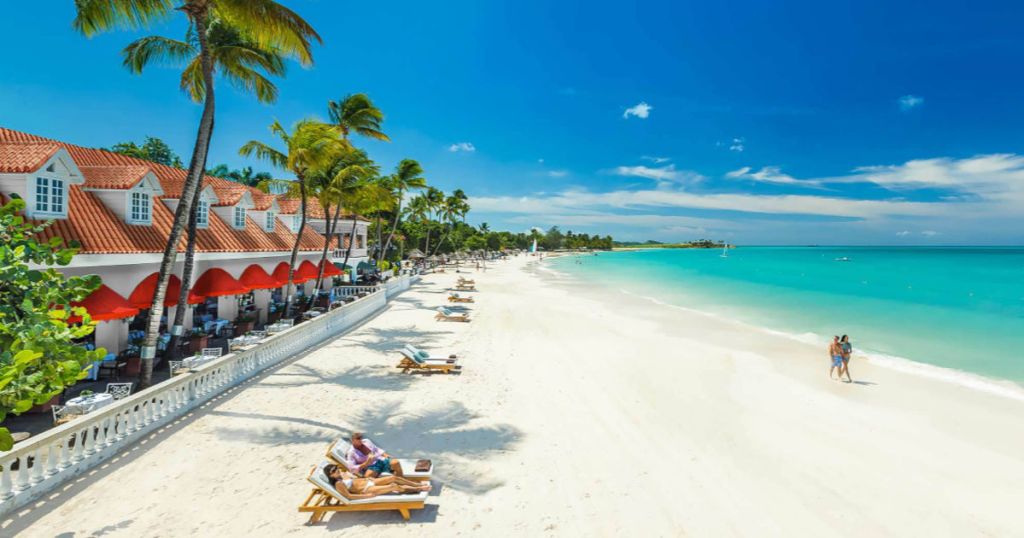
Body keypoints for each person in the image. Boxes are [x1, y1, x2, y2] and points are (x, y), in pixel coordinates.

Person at [322, 463, 430, 499]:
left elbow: (355, 479)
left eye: (336, 468)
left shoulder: (342, 475)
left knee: (393, 477)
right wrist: (366, 496)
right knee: (392, 486)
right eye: (334, 471)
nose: (337, 470)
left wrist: (366, 478)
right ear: (330, 475)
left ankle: (416, 484)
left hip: (369, 482)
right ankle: (418, 488)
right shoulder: (338, 483)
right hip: (366, 489)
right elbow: (349, 496)